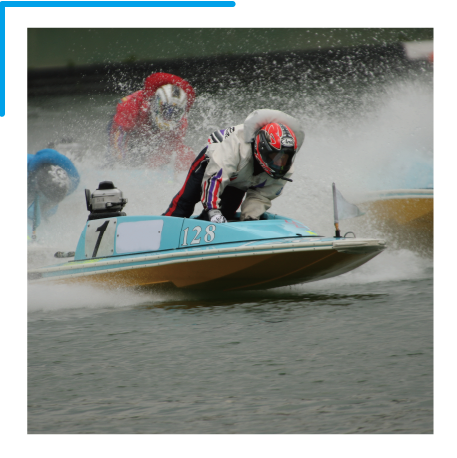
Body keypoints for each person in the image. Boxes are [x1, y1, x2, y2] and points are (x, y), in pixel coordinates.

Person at [163, 109, 305, 223]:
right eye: (275, 156)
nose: (280, 163)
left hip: (239, 181)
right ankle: (163, 227)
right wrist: (212, 210)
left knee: (225, 214)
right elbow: (215, 178)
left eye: (285, 158)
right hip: (212, 164)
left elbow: (261, 197)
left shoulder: (286, 170)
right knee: (185, 203)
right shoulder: (235, 148)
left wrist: (250, 219)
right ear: (262, 148)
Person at [107, 72, 196, 170]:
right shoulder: (131, 105)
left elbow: (169, 148)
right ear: (156, 103)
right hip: (126, 128)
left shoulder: (181, 122)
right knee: (115, 160)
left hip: (153, 133)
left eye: (175, 112)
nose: (169, 116)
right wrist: (121, 163)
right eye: (166, 109)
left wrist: (156, 165)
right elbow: (118, 137)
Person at [27, 149, 80, 240]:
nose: (48, 205)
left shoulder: (72, 181)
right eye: (45, 202)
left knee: (46, 214)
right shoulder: (32, 171)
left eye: (50, 203)